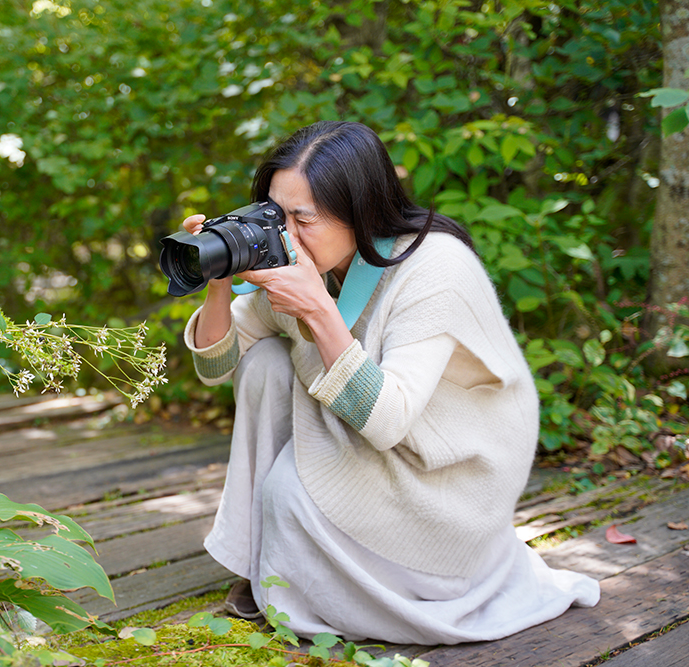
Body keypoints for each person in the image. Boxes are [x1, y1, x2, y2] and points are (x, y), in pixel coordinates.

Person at [181, 121, 599, 645]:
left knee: (288, 489)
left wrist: (318, 311)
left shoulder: (434, 267)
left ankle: (325, 580)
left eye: (302, 218)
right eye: (274, 214)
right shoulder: (299, 262)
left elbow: (387, 422)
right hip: (373, 448)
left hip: (444, 479)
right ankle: (259, 562)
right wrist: (217, 286)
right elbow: (215, 367)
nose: (284, 233)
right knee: (266, 362)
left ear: (360, 212)